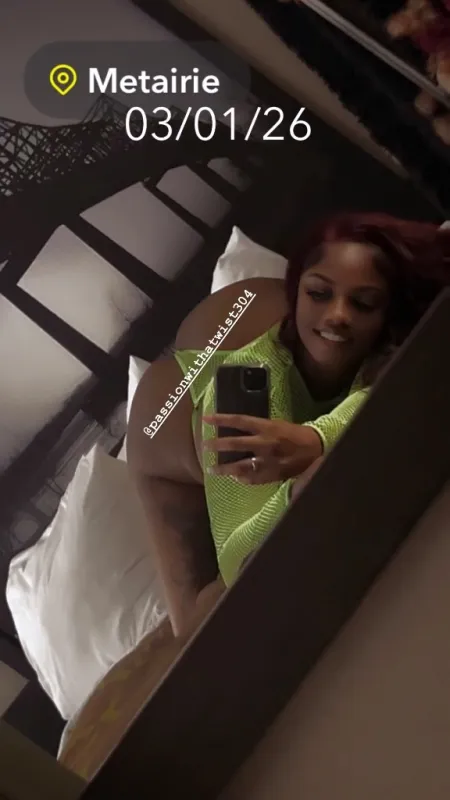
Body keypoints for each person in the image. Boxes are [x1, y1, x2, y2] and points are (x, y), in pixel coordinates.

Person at [127, 212, 450, 638]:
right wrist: (298, 489)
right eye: (318, 293)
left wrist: (318, 439)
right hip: (164, 417)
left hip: (248, 317)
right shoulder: (241, 388)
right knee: (203, 626)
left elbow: (396, 383)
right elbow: (238, 557)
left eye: (363, 303)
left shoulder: (387, 335)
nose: (338, 315)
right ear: (300, 291)